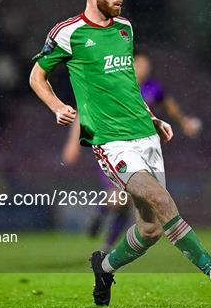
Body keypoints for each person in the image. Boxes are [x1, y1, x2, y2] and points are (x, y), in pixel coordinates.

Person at [29, 0, 211, 306]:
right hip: (111, 142)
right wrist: (56, 106)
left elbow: (126, 87)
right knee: (160, 200)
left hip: (146, 134)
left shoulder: (125, 29)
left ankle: (105, 267)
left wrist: (152, 117)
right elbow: (37, 76)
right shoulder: (68, 32)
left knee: (150, 230)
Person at [62, 52, 202, 253]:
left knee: (128, 201)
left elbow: (168, 105)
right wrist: (72, 143)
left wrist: (184, 122)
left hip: (140, 150)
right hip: (113, 147)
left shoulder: (153, 88)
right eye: (139, 64)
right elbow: (85, 108)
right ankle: (100, 215)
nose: (144, 69)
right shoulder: (113, 82)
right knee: (120, 197)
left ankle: (106, 246)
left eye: (147, 65)